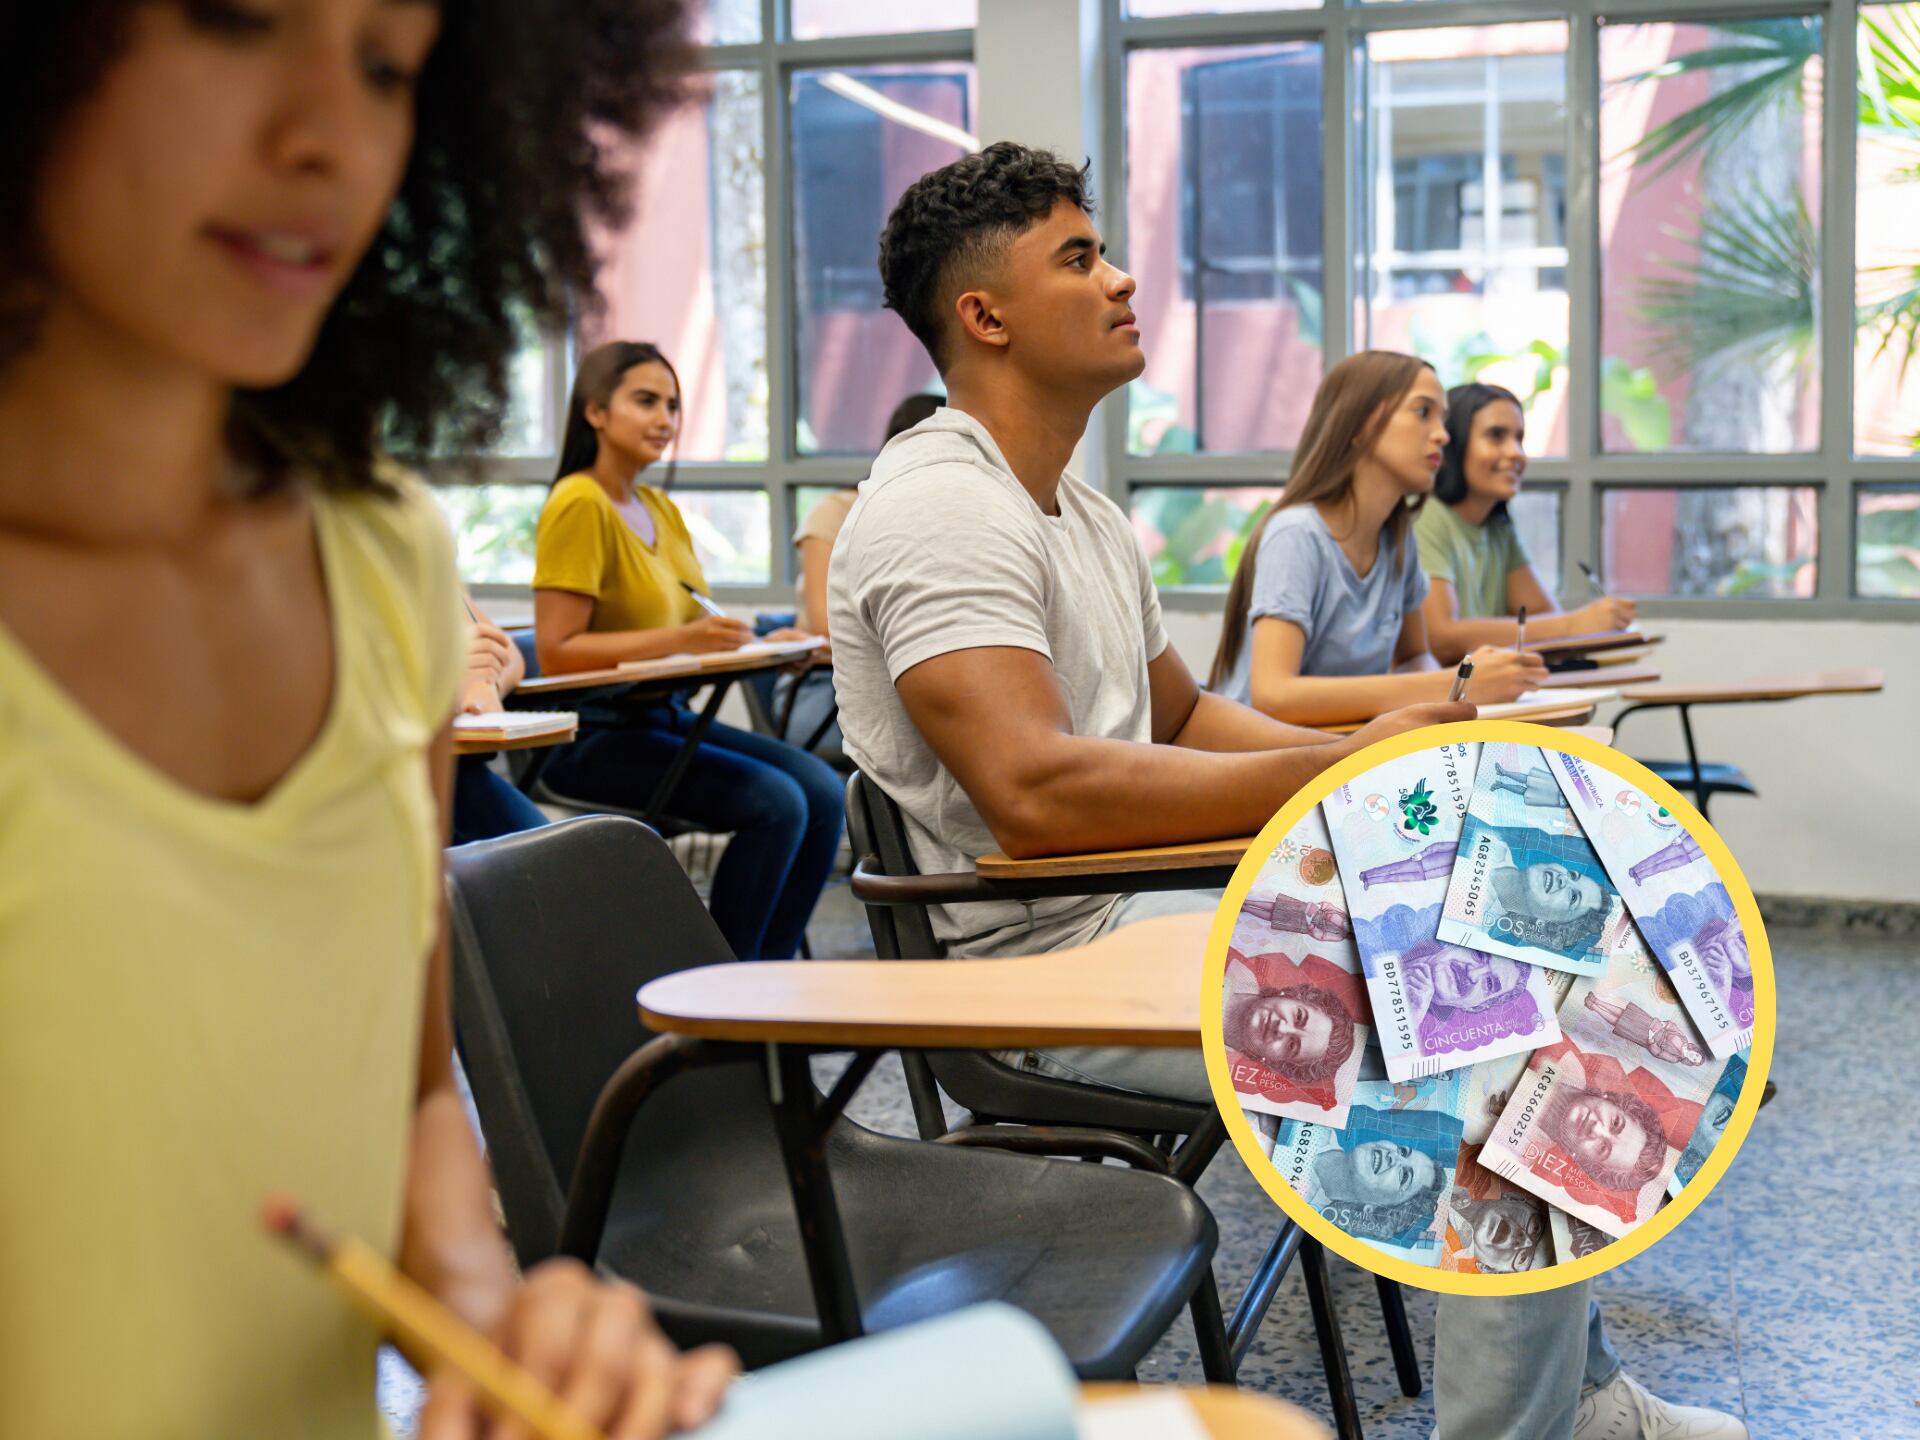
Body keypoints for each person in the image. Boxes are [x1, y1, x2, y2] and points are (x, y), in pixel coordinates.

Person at [0, 2, 740, 1435]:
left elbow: (402, 1101)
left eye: (390, 66)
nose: (331, 138)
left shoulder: (382, 556)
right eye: (235, 21)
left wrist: (491, 1318)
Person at [832, 141, 1467, 1105]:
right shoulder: (942, 506)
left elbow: (1180, 717)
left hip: (1140, 905)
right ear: (985, 316)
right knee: (1445, 1007)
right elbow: (1036, 794)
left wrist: (1367, 771)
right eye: (1079, 259)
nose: (1122, 279)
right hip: (1043, 970)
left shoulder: (1083, 516)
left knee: (1457, 937)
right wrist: (1335, 769)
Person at [532, 340, 843, 960]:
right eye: (645, 401)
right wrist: (685, 640)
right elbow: (558, 650)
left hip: (661, 721)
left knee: (825, 791)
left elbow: (695, 624)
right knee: (777, 803)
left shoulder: (657, 507)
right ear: (595, 412)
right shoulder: (578, 503)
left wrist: (760, 644)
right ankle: (718, 999)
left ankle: (767, 985)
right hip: (594, 737)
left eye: (672, 405)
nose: (664, 420)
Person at [1208, 354, 1551, 729]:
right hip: (1265, 764)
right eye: (1423, 412)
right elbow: (1274, 696)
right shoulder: (1297, 535)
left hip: (1341, 753)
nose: (1443, 434)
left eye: (1443, 418)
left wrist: (1449, 698)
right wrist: (1449, 682)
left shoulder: (1398, 538)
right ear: (1360, 425)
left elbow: (1414, 656)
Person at [774, 391, 944, 759]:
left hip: (911, 683)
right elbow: (824, 625)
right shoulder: (836, 511)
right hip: (825, 689)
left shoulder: (943, 519)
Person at [1417, 382, 1637, 664]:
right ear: (1454, 444)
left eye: (1519, 438)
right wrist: (1574, 624)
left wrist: (1580, 625)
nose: (1516, 453)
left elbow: (1543, 615)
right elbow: (1441, 638)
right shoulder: (1426, 518)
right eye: (1496, 436)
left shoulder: (1499, 527)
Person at [451, 594, 550, 845]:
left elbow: (509, 652)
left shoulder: (433, 574)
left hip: (459, 772)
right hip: (391, 781)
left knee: (563, 862)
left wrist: (487, 684)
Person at [1220, 983, 1357, 1082]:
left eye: (1291, 1045)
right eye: (1299, 1016)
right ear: (1293, 996)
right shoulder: (1236, 968)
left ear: (1275, 1062)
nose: (1281, 1028)